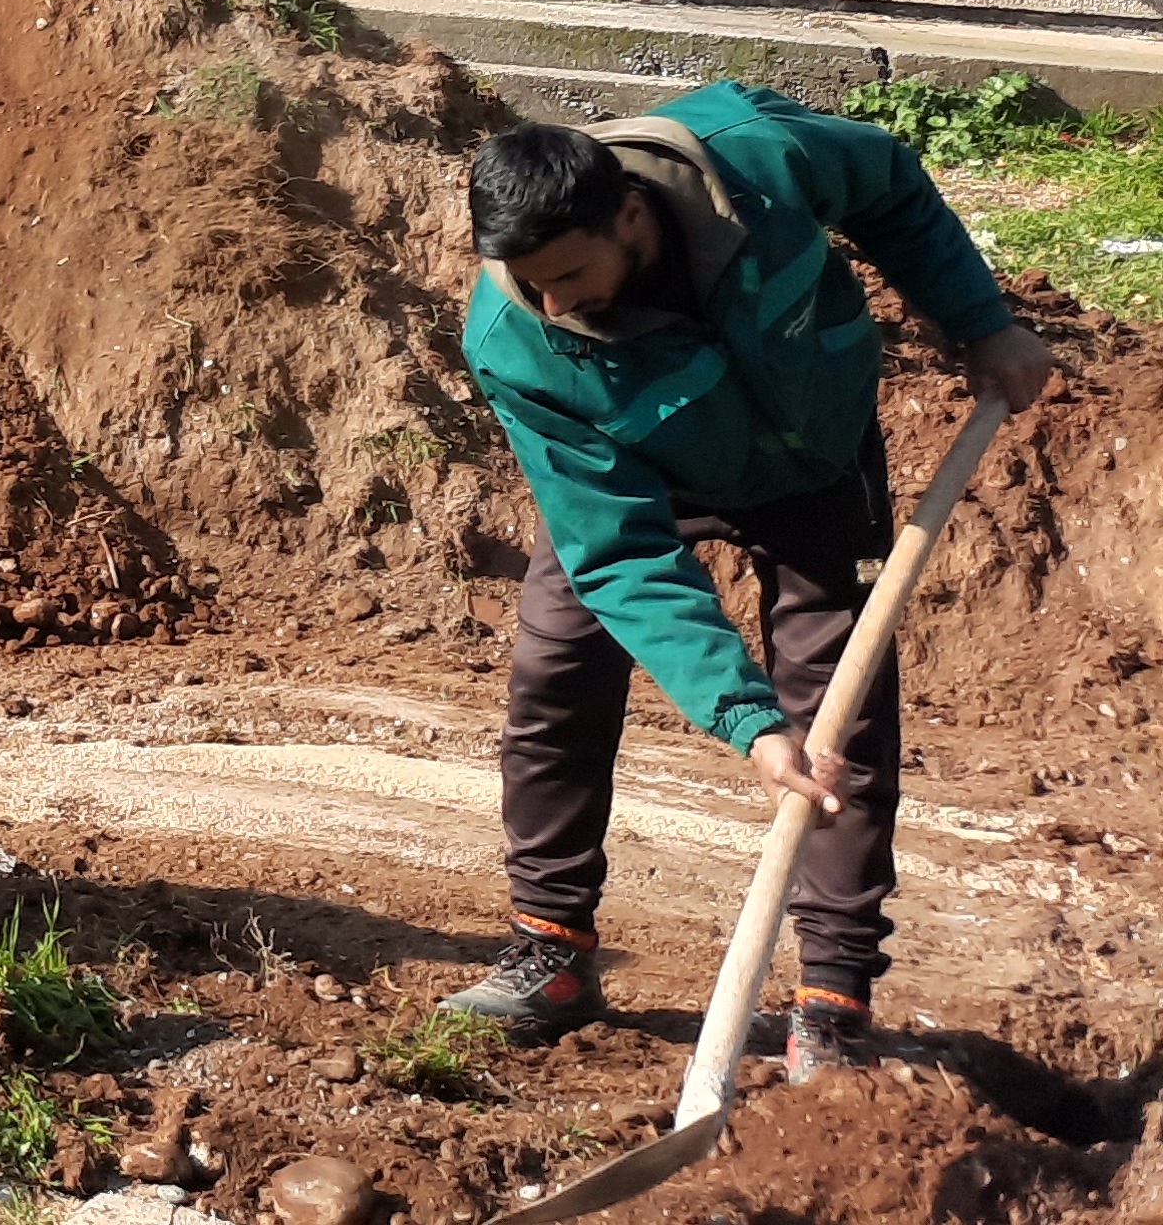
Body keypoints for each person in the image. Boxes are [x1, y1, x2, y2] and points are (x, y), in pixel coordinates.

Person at [447, 92, 1056, 1075]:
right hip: (638, 471)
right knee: (555, 669)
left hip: (812, 456)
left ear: (631, 219)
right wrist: (745, 723)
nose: (548, 301)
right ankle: (549, 948)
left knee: (841, 714)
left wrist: (979, 321)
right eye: (526, 280)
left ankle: (831, 1000)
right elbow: (618, 553)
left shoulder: (755, 158)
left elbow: (891, 183)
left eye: (565, 273)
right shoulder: (517, 340)